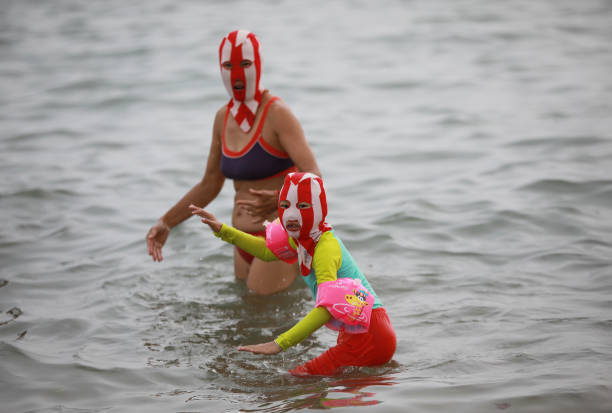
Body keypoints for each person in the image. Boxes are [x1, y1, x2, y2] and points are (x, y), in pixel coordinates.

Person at [146, 29, 321, 295]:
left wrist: (278, 199)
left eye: (245, 64)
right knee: (245, 324)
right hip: (242, 242)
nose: (236, 74)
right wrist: (167, 221)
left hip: (279, 237)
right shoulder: (222, 118)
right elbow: (210, 183)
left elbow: (314, 177)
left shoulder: (278, 114)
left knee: (255, 320)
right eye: (228, 66)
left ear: (258, 65)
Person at [189, 172, 396, 376]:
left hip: (372, 333)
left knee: (301, 379)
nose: (292, 214)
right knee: (338, 393)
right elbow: (267, 252)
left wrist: (279, 344)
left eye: (303, 206)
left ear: (319, 209)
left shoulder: (325, 247)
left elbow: (327, 308)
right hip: (360, 330)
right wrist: (222, 229)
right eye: (286, 206)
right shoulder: (302, 240)